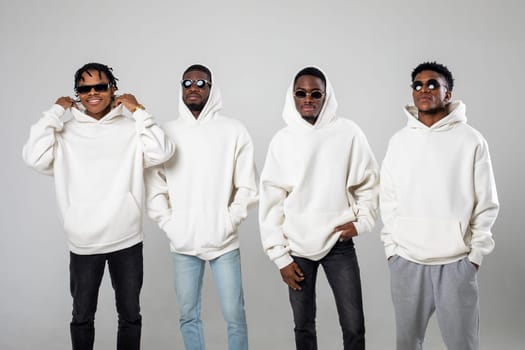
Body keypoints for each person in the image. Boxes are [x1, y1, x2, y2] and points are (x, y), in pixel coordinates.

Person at [22, 62, 175, 350]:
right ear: (77, 94)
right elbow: (33, 156)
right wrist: (55, 112)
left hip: (126, 238)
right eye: (84, 89)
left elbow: (163, 151)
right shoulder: (64, 132)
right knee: (82, 317)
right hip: (83, 241)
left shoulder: (132, 129)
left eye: (100, 87)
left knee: (129, 316)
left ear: (112, 89)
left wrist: (139, 110)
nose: (92, 93)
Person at [380, 61, 500, 350]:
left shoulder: (471, 140)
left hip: (456, 261)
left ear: (448, 94)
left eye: (433, 84)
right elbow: (388, 198)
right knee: (407, 344)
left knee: (462, 344)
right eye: (418, 85)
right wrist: (391, 250)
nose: (424, 90)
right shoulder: (398, 142)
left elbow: (486, 202)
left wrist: (475, 256)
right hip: (407, 261)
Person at [259, 66, 379, 350]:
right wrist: (280, 256)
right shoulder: (283, 140)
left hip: (338, 242)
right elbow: (271, 202)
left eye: (316, 93)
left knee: (353, 325)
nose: (308, 99)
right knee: (303, 325)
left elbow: (369, 182)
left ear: (327, 96)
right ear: (293, 96)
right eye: (301, 93)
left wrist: (362, 222)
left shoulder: (348, 132)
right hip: (296, 248)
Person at [145, 64, 258, 350]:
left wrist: (230, 221)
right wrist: (171, 225)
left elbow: (247, 185)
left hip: (224, 242)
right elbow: (155, 187)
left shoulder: (233, 130)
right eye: (187, 83)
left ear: (212, 88)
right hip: (183, 243)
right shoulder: (166, 132)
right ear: (181, 88)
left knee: (235, 316)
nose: (193, 88)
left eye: (200, 82)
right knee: (188, 315)